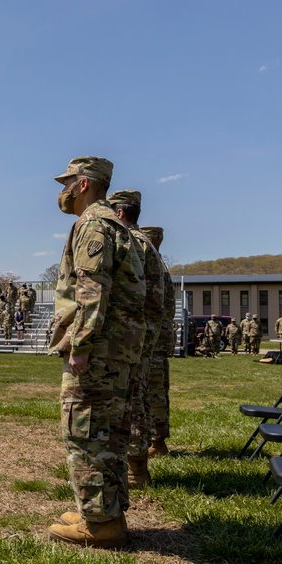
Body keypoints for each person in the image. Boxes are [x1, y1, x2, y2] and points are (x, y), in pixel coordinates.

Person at [46, 156, 145, 549]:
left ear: (83, 184)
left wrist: (81, 344)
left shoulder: (92, 224)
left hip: (99, 348)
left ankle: (100, 523)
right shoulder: (116, 225)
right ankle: (104, 511)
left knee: (84, 431)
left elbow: (92, 289)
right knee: (109, 433)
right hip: (117, 348)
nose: (63, 190)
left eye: (67, 182)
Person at [109, 190, 167, 488]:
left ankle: (135, 471)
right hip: (144, 335)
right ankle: (135, 468)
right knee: (138, 398)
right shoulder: (147, 246)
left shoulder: (132, 243)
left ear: (119, 213)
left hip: (131, 336)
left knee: (130, 402)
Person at [140, 226, 175, 458]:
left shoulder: (152, 265)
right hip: (159, 337)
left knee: (153, 390)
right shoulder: (161, 265)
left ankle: (156, 441)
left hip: (152, 338)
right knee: (157, 389)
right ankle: (156, 440)